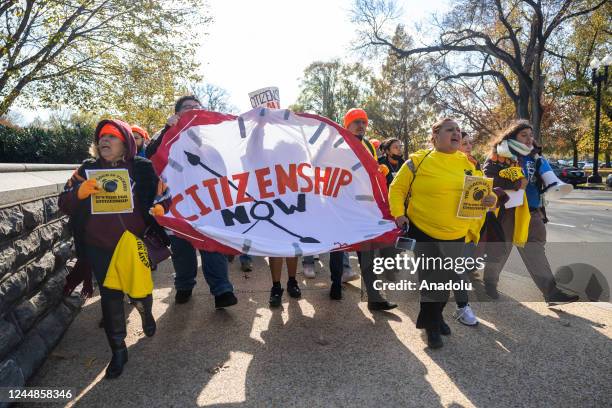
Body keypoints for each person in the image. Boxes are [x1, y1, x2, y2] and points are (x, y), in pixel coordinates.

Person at [59, 119, 170, 378]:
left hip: (133, 244)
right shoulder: (86, 170)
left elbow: (164, 195)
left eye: (111, 136)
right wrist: (80, 192)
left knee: (140, 292)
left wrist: (161, 208)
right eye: (101, 137)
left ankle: (146, 314)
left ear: (126, 142)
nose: (104, 141)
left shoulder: (142, 168)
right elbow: (63, 202)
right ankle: (118, 350)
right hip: (99, 246)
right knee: (110, 296)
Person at [389, 118, 497, 348]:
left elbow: (482, 193)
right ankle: (431, 327)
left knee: (447, 283)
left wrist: (491, 199)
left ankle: (435, 316)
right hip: (423, 230)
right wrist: (399, 214)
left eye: (458, 130)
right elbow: (397, 189)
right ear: (435, 135)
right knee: (431, 282)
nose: (456, 133)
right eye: (450, 130)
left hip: (457, 233)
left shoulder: (468, 163)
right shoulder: (418, 161)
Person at [146, 96, 238, 308]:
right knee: (182, 250)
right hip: (179, 207)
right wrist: (166, 129)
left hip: (210, 206)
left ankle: (222, 290)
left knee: (213, 247)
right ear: (177, 114)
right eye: (187, 108)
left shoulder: (212, 142)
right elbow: (151, 155)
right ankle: (184, 285)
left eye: (197, 108)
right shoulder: (165, 138)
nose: (193, 111)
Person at [482, 120, 579, 305]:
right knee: (501, 249)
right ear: (512, 137)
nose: (529, 139)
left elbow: (540, 183)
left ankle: (551, 293)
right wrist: (515, 184)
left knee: (535, 250)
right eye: (523, 135)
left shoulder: (535, 157)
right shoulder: (499, 155)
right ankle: (489, 283)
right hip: (508, 211)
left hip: (532, 211)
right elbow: (488, 179)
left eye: (530, 135)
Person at [330, 108, 397, 311]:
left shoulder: (368, 145)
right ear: (346, 125)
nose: (361, 125)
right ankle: (335, 284)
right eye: (356, 122)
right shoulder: (338, 145)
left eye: (364, 122)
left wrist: (379, 170)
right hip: (341, 205)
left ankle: (374, 297)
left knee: (367, 249)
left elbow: (369, 170)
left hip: (364, 206)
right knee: (337, 246)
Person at [453, 131, 481, 326]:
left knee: (459, 266)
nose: (469, 146)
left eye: (470, 142)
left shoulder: (475, 165)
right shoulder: (449, 165)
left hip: (472, 225)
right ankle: (463, 307)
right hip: (451, 226)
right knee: (457, 267)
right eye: (464, 143)